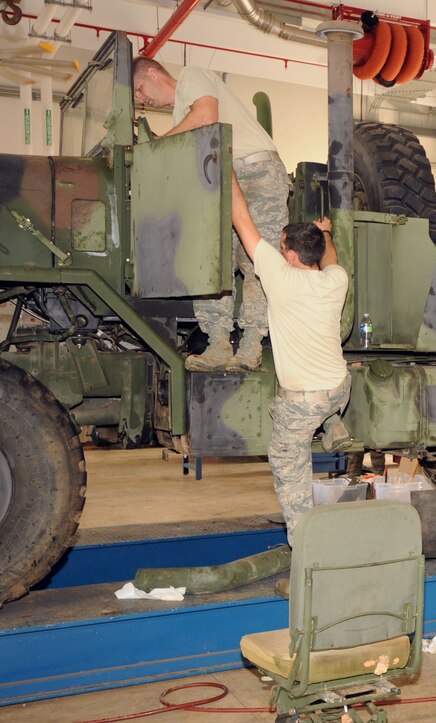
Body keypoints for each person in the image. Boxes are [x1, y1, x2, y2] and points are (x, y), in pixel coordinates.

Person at [133, 56, 289, 372]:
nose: (140, 98)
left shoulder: (191, 75)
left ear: (152, 73)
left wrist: (159, 144)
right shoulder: (181, 114)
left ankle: (250, 346)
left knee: (257, 261)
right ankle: (218, 345)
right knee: (210, 261)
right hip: (219, 176)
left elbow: (207, 116)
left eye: (138, 88)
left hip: (255, 173)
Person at [229, 174, 350, 546]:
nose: (280, 253)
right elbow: (331, 257)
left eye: (283, 248)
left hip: (304, 402)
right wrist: (325, 231)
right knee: (324, 400)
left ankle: (305, 546)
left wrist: (226, 167)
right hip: (339, 390)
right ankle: (332, 423)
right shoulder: (336, 281)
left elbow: (242, 220)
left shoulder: (281, 278)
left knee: (289, 470)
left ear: (293, 256)